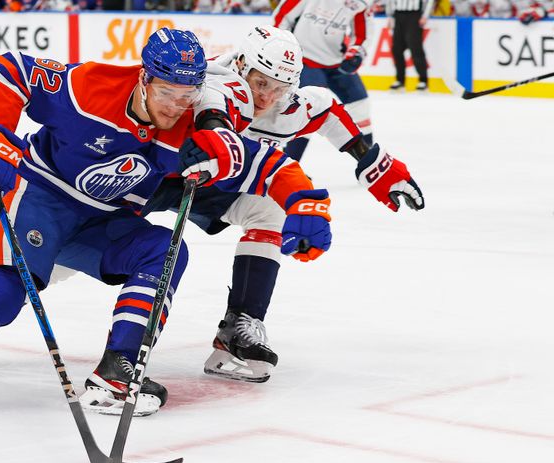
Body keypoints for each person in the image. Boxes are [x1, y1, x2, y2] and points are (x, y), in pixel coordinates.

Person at [0, 28, 329, 427]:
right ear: (145, 79)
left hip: (103, 219)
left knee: (164, 251)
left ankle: (117, 373)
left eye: (187, 97)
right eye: (167, 93)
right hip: (39, 196)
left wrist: (304, 202)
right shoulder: (90, 87)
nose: (175, 107)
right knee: (4, 290)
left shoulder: (193, 123)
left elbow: (265, 163)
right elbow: (7, 70)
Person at [143, 26, 423, 383]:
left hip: (212, 184)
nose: (268, 97)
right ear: (242, 65)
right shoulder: (213, 81)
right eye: (261, 84)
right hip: (150, 175)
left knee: (269, 210)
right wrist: (216, 136)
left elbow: (327, 110)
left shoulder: (290, 104)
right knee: (76, 245)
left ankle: (237, 332)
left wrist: (372, 165)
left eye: (280, 87)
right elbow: (215, 116)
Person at [273, 0, 375, 162]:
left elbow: (362, 34)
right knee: (307, 111)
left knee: (360, 104)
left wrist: (356, 53)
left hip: (337, 61)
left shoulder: (360, 2)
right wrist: (284, 47)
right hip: (304, 59)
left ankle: (370, 162)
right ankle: (288, 166)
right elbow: (282, 16)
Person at [385, 0, 433, 91]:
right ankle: (400, 80)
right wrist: (390, 15)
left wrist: (425, 16)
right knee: (396, 49)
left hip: (414, 15)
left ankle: (423, 80)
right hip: (398, 15)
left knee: (415, 48)